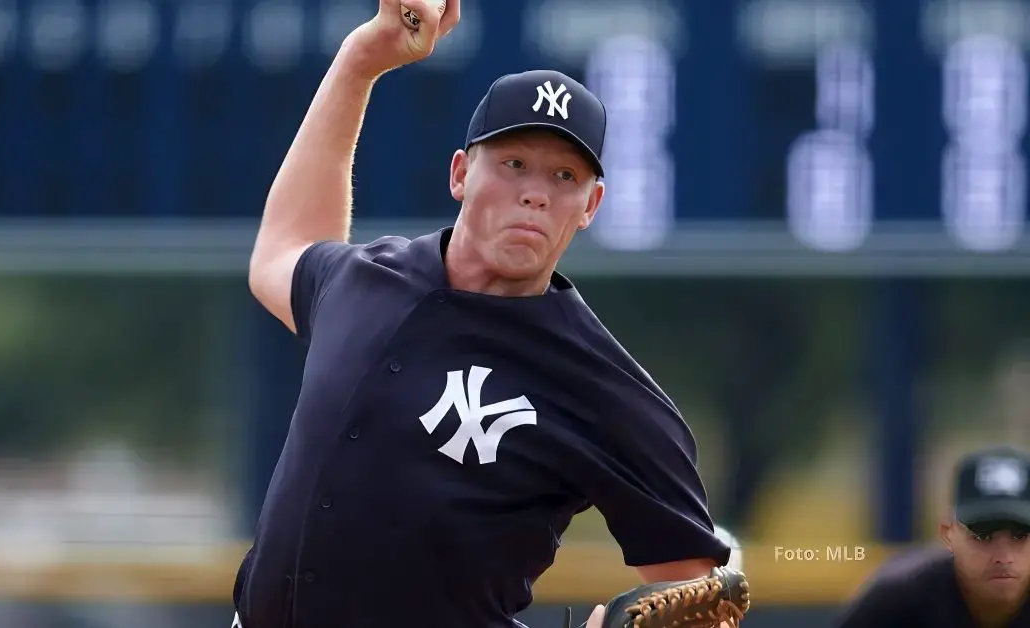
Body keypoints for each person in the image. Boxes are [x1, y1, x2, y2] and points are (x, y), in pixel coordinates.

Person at [235, 1, 732, 626]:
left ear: (590, 205)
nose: (535, 192)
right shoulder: (365, 281)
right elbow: (281, 252)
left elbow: (699, 594)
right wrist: (361, 61)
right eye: (514, 163)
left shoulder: (602, 388)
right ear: (461, 173)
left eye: (565, 175)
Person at [836, 445, 1030, 627]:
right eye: (984, 536)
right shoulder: (895, 604)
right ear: (948, 534)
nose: (1004, 557)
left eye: (1020, 536)